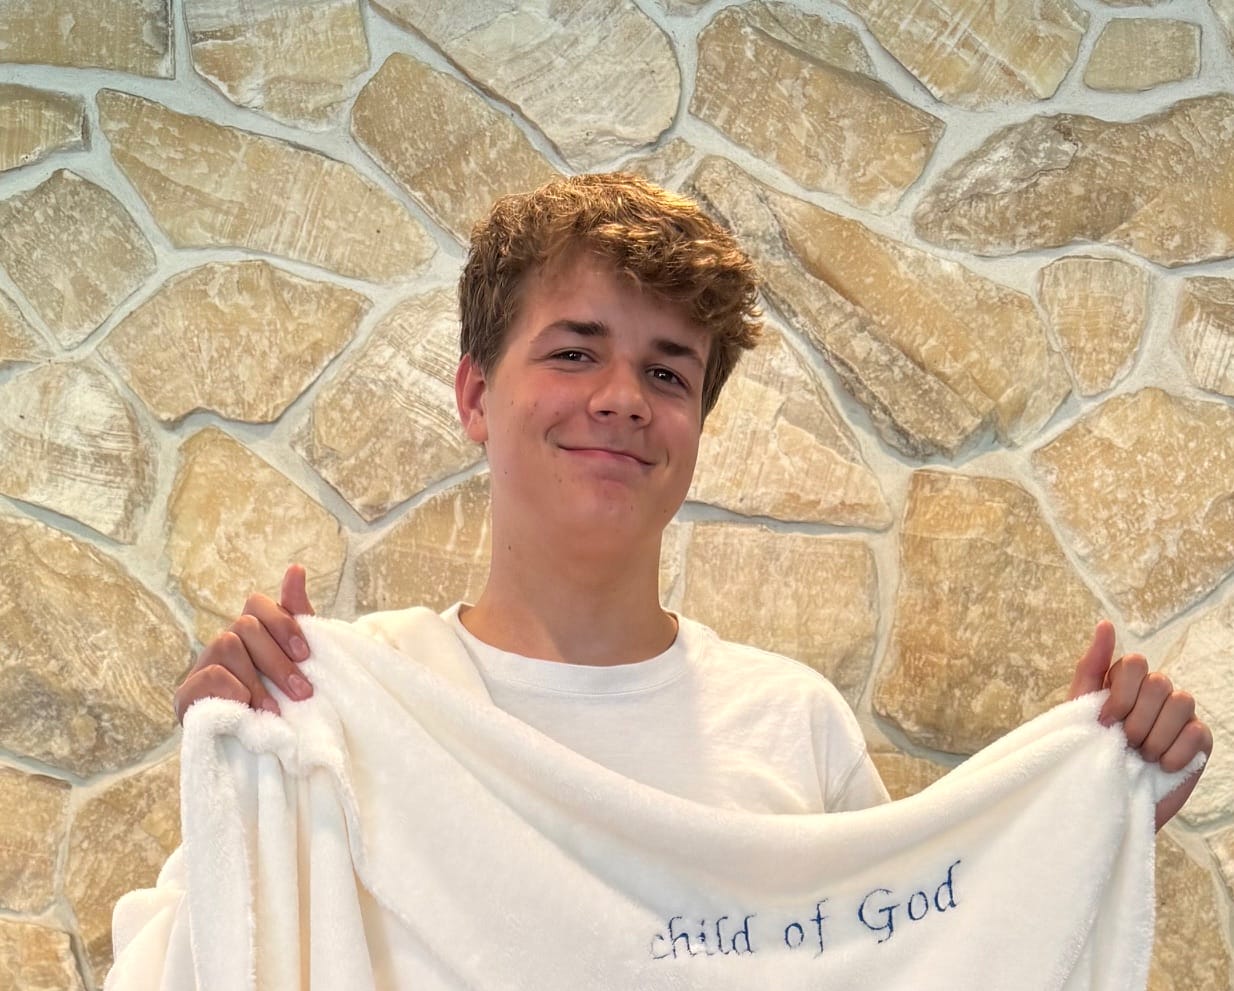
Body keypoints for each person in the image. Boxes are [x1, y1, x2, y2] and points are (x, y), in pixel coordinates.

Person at [171, 172, 1211, 829]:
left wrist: (1093, 813)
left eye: (668, 373)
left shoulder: (791, 727)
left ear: (697, 427)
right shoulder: (345, 705)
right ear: (476, 395)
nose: (624, 398)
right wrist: (226, 771)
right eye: (575, 352)